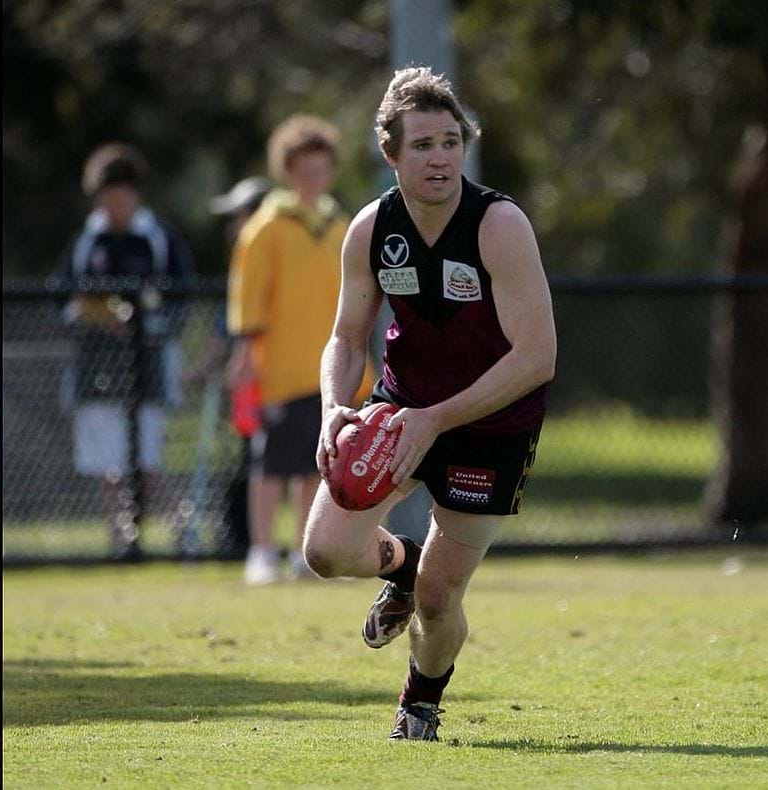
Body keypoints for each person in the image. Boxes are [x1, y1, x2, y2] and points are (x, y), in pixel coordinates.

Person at [302, 67, 556, 741]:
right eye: (422, 145)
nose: (441, 158)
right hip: (401, 408)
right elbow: (346, 337)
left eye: (451, 142)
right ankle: (405, 564)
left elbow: (537, 356)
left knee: (441, 599)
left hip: (492, 426)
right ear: (390, 153)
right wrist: (333, 408)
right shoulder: (370, 228)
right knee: (325, 551)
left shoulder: (499, 225)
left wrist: (438, 418)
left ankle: (419, 702)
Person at [227, 116, 361, 585]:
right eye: (305, 171)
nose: (314, 180)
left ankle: (305, 553)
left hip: (328, 372)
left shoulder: (342, 225)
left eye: (322, 171)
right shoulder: (267, 227)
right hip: (278, 371)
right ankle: (262, 551)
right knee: (269, 467)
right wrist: (245, 354)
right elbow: (248, 296)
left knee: (315, 468)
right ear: (287, 171)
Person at [55, 142, 194, 559]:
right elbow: (60, 298)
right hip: (96, 367)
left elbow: (181, 300)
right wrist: (93, 315)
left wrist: (145, 325)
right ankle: (120, 540)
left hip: (147, 367)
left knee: (146, 462)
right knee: (106, 465)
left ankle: (183, 527)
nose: (112, 208)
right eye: (105, 199)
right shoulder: (87, 240)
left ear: (135, 195)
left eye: (120, 198)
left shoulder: (157, 237)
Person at [180, 176, 273, 559]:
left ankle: (263, 544)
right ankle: (247, 540)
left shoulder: (265, 262)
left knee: (272, 464)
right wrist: (200, 370)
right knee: (252, 460)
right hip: (250, 388)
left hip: (275, 384)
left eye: (238, 217)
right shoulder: (243, 265)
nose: (233, 228)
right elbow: (224, 332)